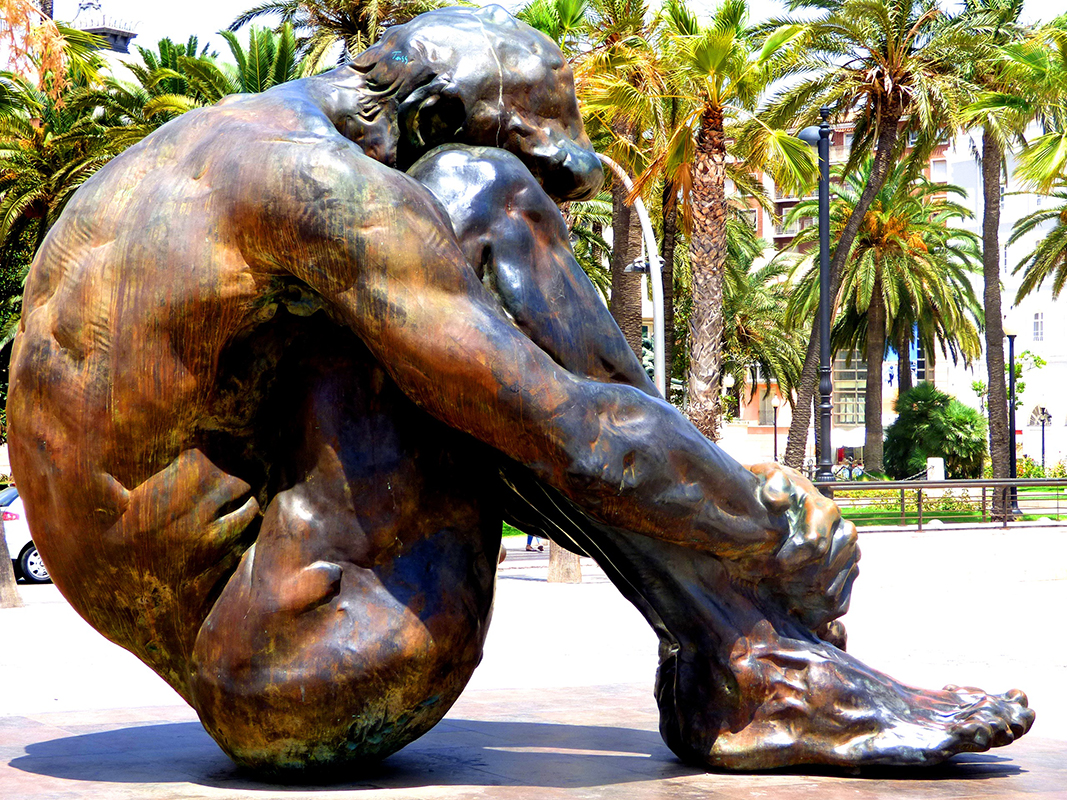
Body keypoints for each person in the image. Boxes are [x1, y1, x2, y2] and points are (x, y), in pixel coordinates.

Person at [7, 5, 1031, 776]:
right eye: (549, 173)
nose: (554, 212)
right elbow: (568, 431)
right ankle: (759, 662)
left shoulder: (207, 151)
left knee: (467, 335)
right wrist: (765, 522)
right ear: (437, 114)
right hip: (317, 661)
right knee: (474, 206)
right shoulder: (328, 192)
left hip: (249, 638)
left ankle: (750, 654)